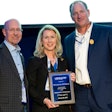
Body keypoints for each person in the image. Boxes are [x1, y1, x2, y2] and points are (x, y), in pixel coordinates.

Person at [64, 0, 112, 112]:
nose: (79, 15)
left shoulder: (107, 33)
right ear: (71, 17)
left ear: (88, 12)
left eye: (82, 11)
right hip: (80, 96)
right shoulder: (68, 40)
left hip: (104, 95)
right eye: (75, 13)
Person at [26, 24, 75, 112]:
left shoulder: (63, 61)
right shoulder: (34, 61)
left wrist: (72, 78)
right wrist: (44, 100)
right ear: (41, 40)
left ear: (57, 40)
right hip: (42, 106)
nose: (49, 41)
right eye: (46, 37)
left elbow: (68, 86)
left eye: (52, 37)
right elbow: (30, 87)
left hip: (62, 106)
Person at [0, 19, 29, 112]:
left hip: (22, 106)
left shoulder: (20, 55)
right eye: (12, 30)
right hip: (5, 108)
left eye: (18, 30)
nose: (16, 33)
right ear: (4, 32)